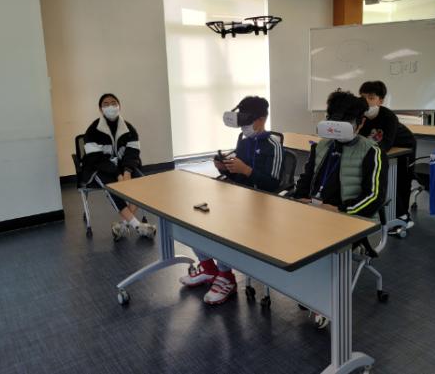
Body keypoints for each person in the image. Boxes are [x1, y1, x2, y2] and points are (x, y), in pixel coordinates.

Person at [293, 90, 388, 328]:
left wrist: (339, 211)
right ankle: (309, 287)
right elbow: (305, 180)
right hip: (314, 215)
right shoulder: (321, 146)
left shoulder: (372, 152)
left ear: (361, 123)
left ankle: (325, 297)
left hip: (352, 221)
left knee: (323, 249)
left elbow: (375, 197)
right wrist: (298, 201)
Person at [179, 96, 283, 305]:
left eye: (247, 123)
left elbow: (273, 185)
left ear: (261, 119)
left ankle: (226, 277)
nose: (244, 128)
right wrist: (225, 168)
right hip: (239, 199)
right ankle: (208, 268)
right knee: (195, 218)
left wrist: (247, 170)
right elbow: (237, 177)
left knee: (223, 227)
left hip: (263, 206)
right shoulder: (243, 142)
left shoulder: (273, 145)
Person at [81, 93, 155, 241]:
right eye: (106, 104)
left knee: (141, 183)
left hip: (123, 166)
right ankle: (137, 226)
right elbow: (95, 158)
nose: (110, 106)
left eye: (113, 103)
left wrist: (127, 171)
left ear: (119, 106)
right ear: (100, 109)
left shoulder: (129, 129)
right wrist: (118, 174)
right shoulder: (93, 130)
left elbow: (133, 153)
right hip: (99, 168)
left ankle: (123, 225)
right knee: (113, 187)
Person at [358, 81, 417, 230]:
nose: (366, 101)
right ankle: (391, 214)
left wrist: (370, 154)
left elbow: (387, 143)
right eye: (363, 97)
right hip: (384, 149)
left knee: (402, 180)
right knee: (386, 179)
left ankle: (403, 217)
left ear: (381, 100)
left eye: (371, 98)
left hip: (405, 147)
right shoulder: (361, 116)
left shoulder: (389, 117)